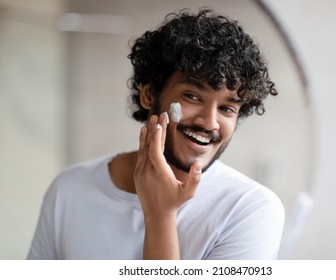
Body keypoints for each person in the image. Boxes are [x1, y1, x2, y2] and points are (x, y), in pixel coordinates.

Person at [27, 8, 284, 260]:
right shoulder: (70, 189)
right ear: (149, 94)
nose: (209, 123)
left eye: (227, 108)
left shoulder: (252, 210)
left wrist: (161, 215)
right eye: (193, 96)